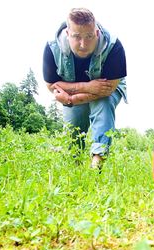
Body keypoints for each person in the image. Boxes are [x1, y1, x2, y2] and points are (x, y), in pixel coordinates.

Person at [43, 7, 127, 169]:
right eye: (76, 36)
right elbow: (52, 85)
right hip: (78, 91)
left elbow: (107, 89)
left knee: (103, 103)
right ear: (68, 34)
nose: (83, 44)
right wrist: (86, 87)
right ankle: (74, 167)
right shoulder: (52, 48)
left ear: (96, 32)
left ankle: (97, 164)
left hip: (105, 90)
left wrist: (70, 98)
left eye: (89, 36)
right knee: (74, 124)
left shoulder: (114, 47)